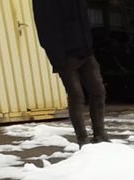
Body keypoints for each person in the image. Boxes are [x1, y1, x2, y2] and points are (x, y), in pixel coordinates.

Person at [31, 0, 109, 146]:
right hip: (65, 56)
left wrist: (89, 45)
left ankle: (100, 135)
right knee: (76, 95)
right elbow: (44, 30)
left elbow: (83, 19)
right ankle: (82, 139)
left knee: (98, 90)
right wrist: (58, 58)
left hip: (85, 51)